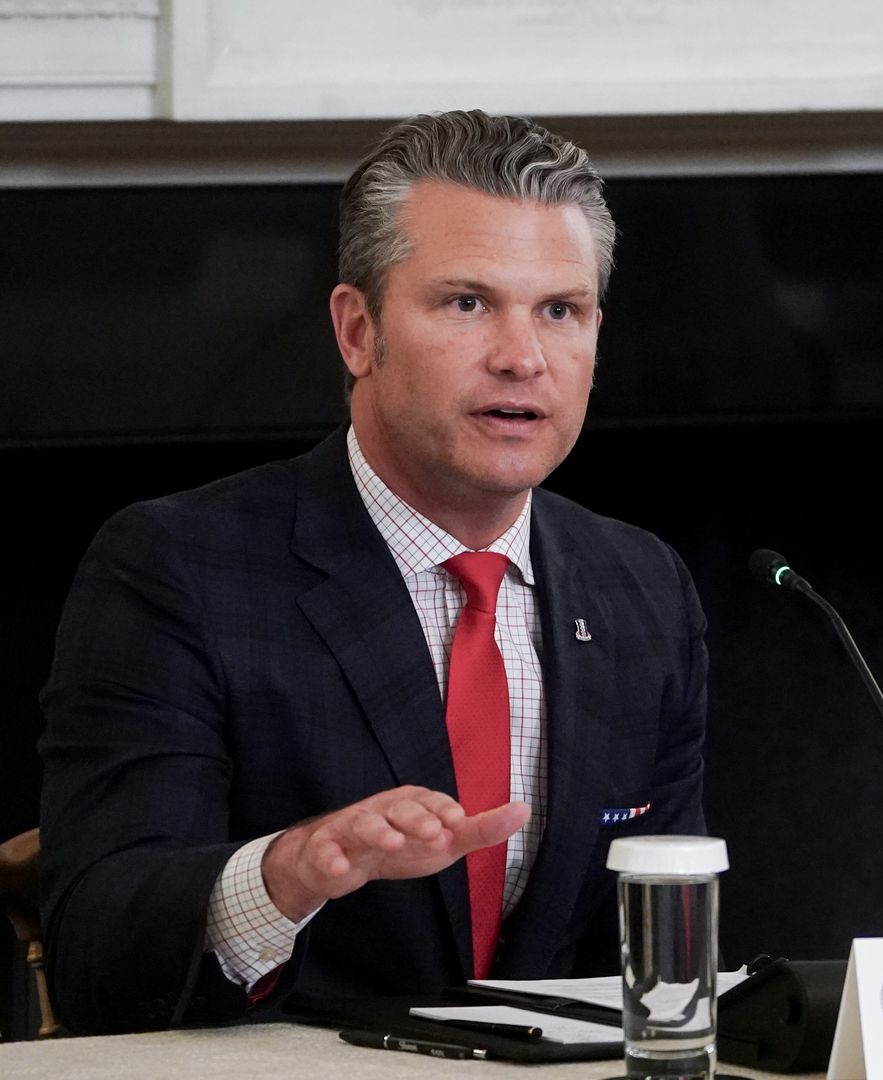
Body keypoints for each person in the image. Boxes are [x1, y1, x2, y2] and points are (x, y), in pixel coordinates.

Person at [37, 110, 708, 1034]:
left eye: (562, 310)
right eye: (467, 302)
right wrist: (287, 874)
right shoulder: (177, 569)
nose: (524, 357)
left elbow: (666, 947)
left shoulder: (642, 585)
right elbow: (97, 952)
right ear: (358, 332)